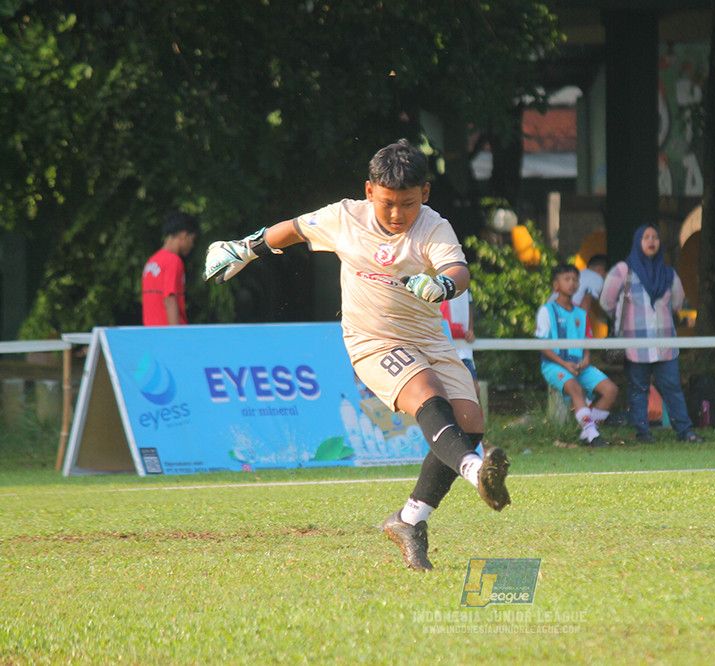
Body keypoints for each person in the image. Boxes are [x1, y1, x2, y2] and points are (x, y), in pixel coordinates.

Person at [202, 139, 509, 572]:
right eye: (387, 203)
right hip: (373, 339)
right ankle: (478, 474)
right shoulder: (345, 217)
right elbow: (293, 228)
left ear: (425, 193)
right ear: (369, 192)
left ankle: (409, 521)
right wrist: (246, 247)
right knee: (427, 392)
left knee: (471, 422)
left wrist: (443, 285)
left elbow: (458, 270)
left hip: (428, 338)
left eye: (407, 203)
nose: (397, 214)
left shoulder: (434, 226)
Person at [599, 224, 704, 444]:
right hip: (634, 345)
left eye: (655, 237)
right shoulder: (623, 271)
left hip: (664, 344)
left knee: (673, 389)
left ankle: (685, 432)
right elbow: (606, 301)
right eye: (646, 237)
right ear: (638, 242)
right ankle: (643, 433)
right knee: (638, 390)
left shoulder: (668, 273)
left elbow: (676, 303)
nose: (651, 241)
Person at [536, 263, 619, 447]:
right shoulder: (547, 311)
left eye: (575, 280)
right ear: (556, 285)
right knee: (576, 389)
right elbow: (542, 345)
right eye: (567, 279)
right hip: (555, 365)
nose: (572, 283)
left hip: (580, 365)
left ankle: (587, 433)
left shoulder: (581, 314)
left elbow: (586, 343)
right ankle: (593, 436)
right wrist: (564, 364)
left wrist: (586, 360)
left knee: (611, 390)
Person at [142, 211, 200, 326]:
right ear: (183, 236)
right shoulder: (173, 261)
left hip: (151, 332)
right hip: (168, 332)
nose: (192, 245)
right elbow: (169, 299)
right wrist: (175, 334)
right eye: (192, 240)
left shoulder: (152, 261)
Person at [440, 288, 477, 380]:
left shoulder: (463, 280)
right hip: (439, 347)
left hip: (462, 348)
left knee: (473, 387)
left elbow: (469, 303)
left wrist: (470, 330)